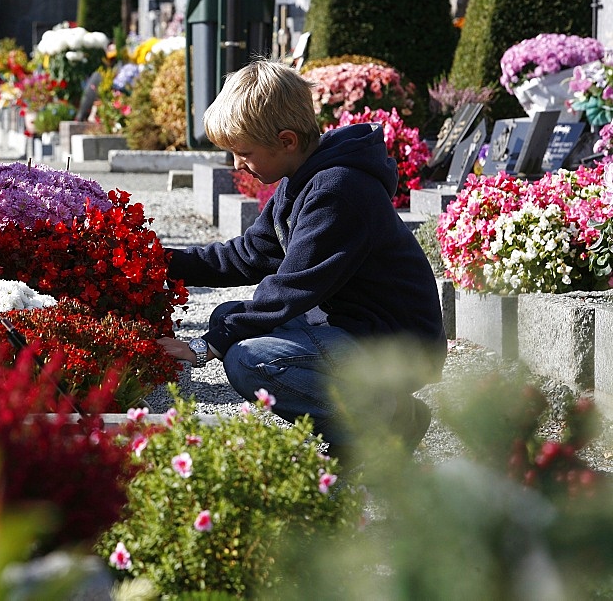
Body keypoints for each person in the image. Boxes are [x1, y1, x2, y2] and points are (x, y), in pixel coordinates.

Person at [157, 58, 446, 464]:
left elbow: (292, 288)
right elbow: (249, 254)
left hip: (396, 346)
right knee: (228, 318)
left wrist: (207, 346)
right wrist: (163, 261)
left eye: (243, 153)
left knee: (247, 360)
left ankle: (388, 422)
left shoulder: (338, 190)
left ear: (287, 141)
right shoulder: (304, 179)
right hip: (355, 326)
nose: (237, 165)